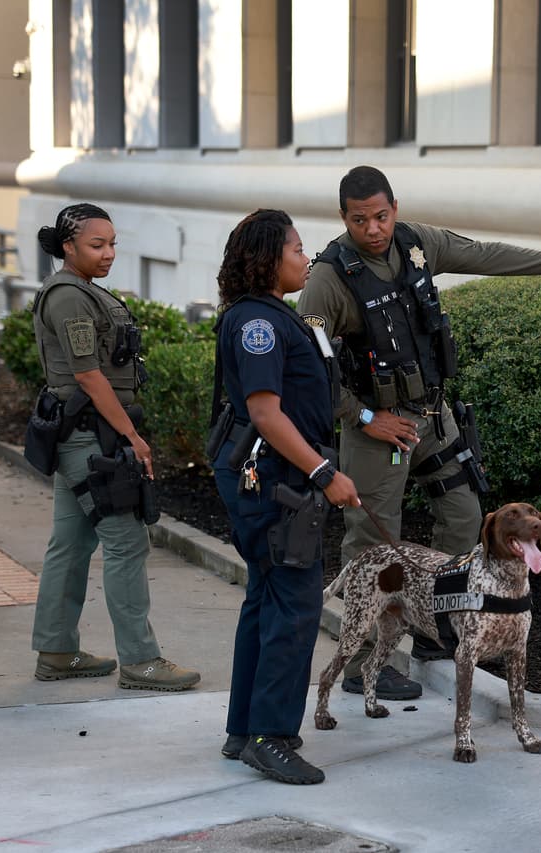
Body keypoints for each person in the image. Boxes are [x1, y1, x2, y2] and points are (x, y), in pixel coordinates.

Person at [296, 165, 541, 699]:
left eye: (381, 216)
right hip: (375, 429)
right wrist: (364, 419)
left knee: (465, 513)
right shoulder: (329, 278)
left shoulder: (418, 244)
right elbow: (308, 366)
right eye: (360, 220)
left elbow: (487, 256)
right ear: (343, 218)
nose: (373, 229)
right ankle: (358, 665)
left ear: (394, 209)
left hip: (431, 415)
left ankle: (436, 630)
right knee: (377, 543)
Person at [211, 209, 362, 786]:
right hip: (275, 483)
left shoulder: (276, 317)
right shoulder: (258, 324)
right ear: (269, 258)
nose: (307, 258)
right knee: (295, 608)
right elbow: (264, 414)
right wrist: (325, 472)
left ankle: (244, 729)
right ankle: (270, 737)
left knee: (266, 600)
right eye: (298, 250)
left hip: (280, 478)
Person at [30, 203, 201, 692]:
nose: (108, 254)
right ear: (68, 246)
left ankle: (58, 651)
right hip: (91, 438)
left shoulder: (81, 291)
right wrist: (132, 436)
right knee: (127, 543)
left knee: (71, 543)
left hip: (82, 435)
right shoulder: (68, 296)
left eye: (112, 245)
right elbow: (87, 374)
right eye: (96, 245)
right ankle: (141, 661)